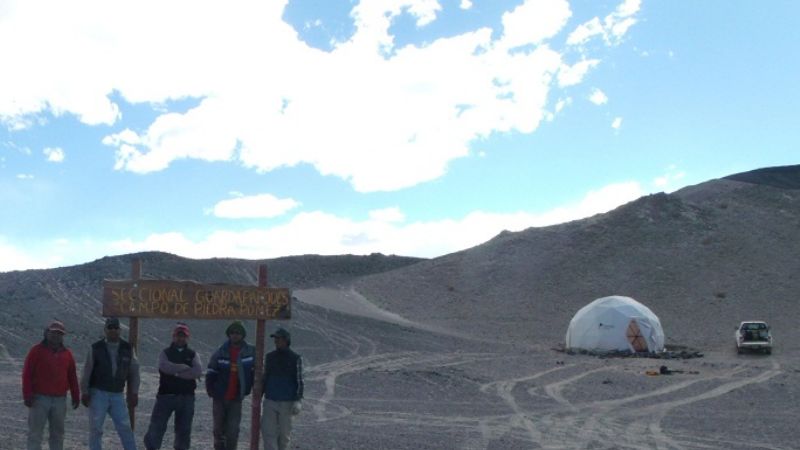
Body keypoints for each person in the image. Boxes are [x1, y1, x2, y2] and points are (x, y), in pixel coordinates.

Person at [81, 317, 140, 450]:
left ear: (120, 330)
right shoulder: (95, 348)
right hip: (98, 392)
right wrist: (84, 391)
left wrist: (134, 392)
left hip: (118, 394)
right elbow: (87, 370)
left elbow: (134, 372)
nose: (113, 330)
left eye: (115, 328)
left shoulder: (128, 348)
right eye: (110, 328)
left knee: (125, 427)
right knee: (96, 428)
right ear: (105, 330)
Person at [22, 320, 80, 450]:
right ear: (47, 333)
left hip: (60, 399)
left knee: (58, 434)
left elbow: (72, 376)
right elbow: (27, 374)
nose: (56, 336)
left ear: (62, 336)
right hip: (39, 398)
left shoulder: (67, 354)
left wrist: (76, 395)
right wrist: (27, 394)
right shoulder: (36, 351)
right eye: (53, 332)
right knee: (35, 433)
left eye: (59, 333)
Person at [143, 323, 203, 450]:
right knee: (156, 428)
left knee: (184, 431)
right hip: (166, 396)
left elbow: (197, 371)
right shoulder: (165, 352)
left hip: (186, 397)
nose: (180, 339)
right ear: (173, 336)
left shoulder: (193, 354)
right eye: (178, 336)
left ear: (187, 338)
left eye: (183, 336)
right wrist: (184, 367)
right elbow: (164, 367)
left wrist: (175, 372)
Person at [206, 321, 256, 450]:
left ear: (243, 335)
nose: (235, 335)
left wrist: (248, 388)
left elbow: (257, 370)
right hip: (220, 397)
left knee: (232, 431)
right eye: (232, 332)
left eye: (238, 333)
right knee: (218, 429)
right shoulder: (220, 351)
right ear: (229, 334)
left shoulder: (250, 351)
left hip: (236, 398)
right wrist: (211, 391)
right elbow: (211, 371)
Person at [261, 328, 303, 450]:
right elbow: (265, 377)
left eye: (278, 338)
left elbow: (300, 380)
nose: (276, 341)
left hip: (287, 401)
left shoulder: (295, 358)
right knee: (268, 432)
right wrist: (260, 394)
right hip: (271, 399)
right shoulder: (270, 357)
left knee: (284, 436)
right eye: (275, 339)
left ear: (286, 340)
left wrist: (298, 399)